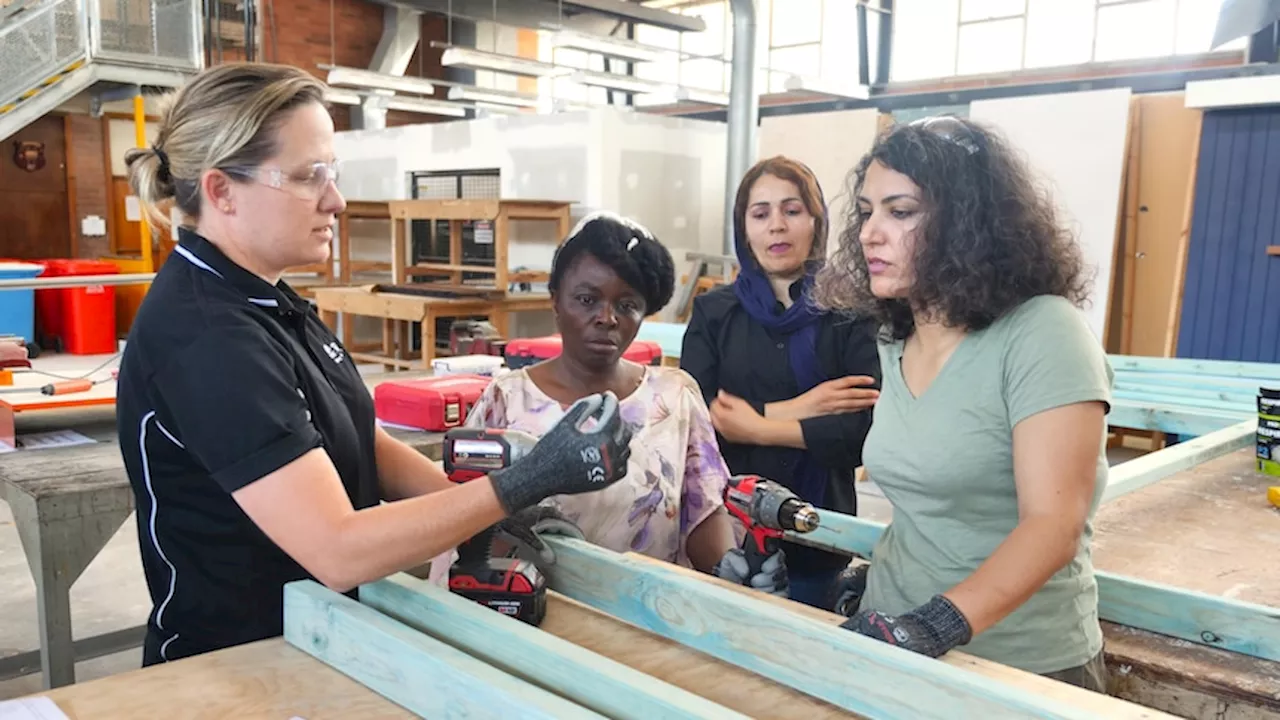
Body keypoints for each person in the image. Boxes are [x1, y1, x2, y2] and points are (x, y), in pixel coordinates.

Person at [114, 62, 633, 666]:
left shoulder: (266, 298)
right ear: (222, 190)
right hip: (238, 661)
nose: (335, 200)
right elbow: (337, 549)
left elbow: (359, 436)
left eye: (331, 174)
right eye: (310, 177)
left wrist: (482, 510)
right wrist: (523, 480)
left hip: (320, 635)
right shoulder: (205, 337)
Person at [814, 115, 1112, 691]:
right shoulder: (894, 337)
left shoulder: (1043, 331)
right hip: (892, 640)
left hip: (1018, 664)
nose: (870, 233)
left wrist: (937, 623)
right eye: (867, 211)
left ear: (969, 223)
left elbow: (1054, 524)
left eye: (900, 212)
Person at [464, 211, 786, 594]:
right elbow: (463, 527)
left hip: (647, 619)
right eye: (586, 299)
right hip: (533, 619)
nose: (606, 318)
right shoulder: (507, 401)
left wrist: (734, 572)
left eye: (627, 305)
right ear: (555, 301)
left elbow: (702, 513)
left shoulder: (674, 397)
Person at [679, 156, 881, 608]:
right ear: (744, 228)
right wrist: (798, 409)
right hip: (725, 537)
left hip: (820, 536)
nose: (776, 226)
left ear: (815, 221)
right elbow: (696, 422)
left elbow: (862, 430)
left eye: (791, 210)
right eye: (760, 213)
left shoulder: (850, 313)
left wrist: (756, 427)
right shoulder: (715, 313)